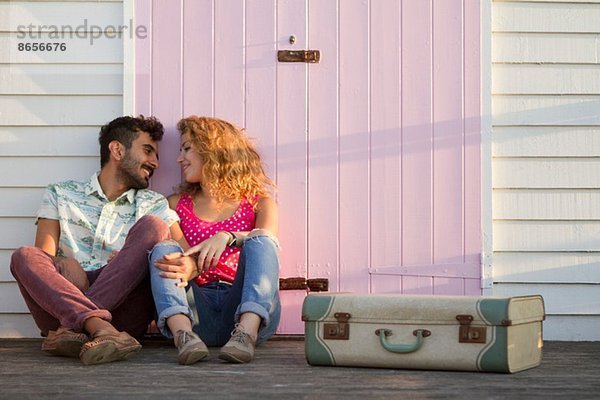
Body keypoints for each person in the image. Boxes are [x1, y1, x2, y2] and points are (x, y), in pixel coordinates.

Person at [10, 115, 180, 365]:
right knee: (24, 256)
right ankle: (98, 327)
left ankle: (80, 328)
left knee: (154, 227)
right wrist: (64, 262)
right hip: (62, 304)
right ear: (117, 149)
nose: (154, 161)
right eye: (147, 150)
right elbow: (43, 257)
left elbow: (183, 253)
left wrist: (127, 260)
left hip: (113, 315)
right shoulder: (61, 193)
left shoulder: (153, 203)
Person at [148, 116, 280, 365]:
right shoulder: (175, 204)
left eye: (186, 148)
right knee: (163, 248)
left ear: (213, 151)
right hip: (196, 310)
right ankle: (183, 336)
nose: (179, 159)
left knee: (261, 240)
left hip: (244, 308)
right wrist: (191, 264)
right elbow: (184, 258)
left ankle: (245, 335)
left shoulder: (259, 204)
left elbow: (267, 247)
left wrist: (228, 237)